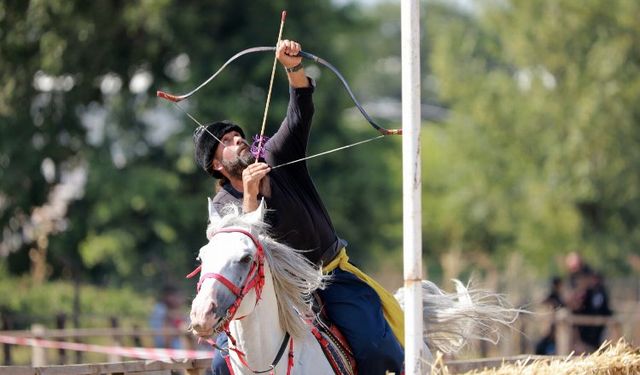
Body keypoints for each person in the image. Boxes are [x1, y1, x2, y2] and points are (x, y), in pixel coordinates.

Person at [193, 39, 404, 375]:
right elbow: (244, 250)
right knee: (221, 366)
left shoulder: (275, 156)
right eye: (229, 143)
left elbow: (299, 113)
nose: (239, 141)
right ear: (216, 166)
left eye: (239, 136)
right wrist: (250, 195)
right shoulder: (223, 206)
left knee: (376, 349)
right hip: (270, 294)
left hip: (327, 275)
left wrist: (292, 67)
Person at [149, 285, 188, 349]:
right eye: (178, 296)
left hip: (168, 344)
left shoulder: (164, 309)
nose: (182, 300)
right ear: (169, 297)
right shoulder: (160, 309)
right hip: (164, 346)